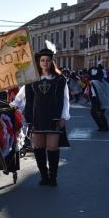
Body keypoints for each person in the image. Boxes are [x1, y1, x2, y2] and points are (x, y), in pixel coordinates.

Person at [24, 48, 70, 187]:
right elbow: (28, 100)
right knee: (38, 147)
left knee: (52, 147)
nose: (45, 62)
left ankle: (53, 177)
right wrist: (28, 118)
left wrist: (63, 116)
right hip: (37, 117)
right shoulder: (31, 79)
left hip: (54, 117)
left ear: (51, 62)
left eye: (48, 60)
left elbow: (65, 99)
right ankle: (44, 176)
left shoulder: (59, 78)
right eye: (42, 60)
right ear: (38, 62)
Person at [88, 66, 109, 132]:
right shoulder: (102, 80)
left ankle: (103, 127)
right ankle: (103, 126)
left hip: (97, 99)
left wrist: (97, 102)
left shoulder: (93, 82)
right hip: (102, 99)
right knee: (99, 114)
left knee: (96, 113)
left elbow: (95, 93)